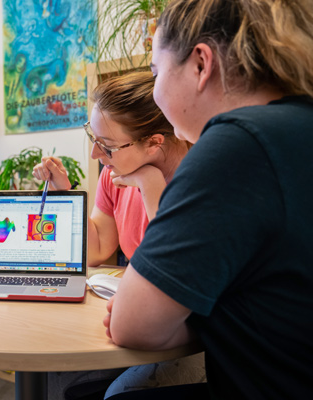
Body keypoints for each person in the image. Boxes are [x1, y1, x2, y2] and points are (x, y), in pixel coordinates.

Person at [104, 0, 313, 399]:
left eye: (156, 72)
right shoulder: (296, 126)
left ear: (201, 64)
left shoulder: (237, 142)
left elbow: (132, 325)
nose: (156, 92)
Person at [33, 72, 203, 398]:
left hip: (195, 335)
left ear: (154, 142)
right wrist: (62, 193)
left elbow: (173, 269)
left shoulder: (195, 181)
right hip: (146, 316)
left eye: (106, 146)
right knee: (54, 375)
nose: (96, 156)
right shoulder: (116, 175)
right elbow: (97, 248)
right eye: (93, 138)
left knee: (118, 392)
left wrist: (151, 187)